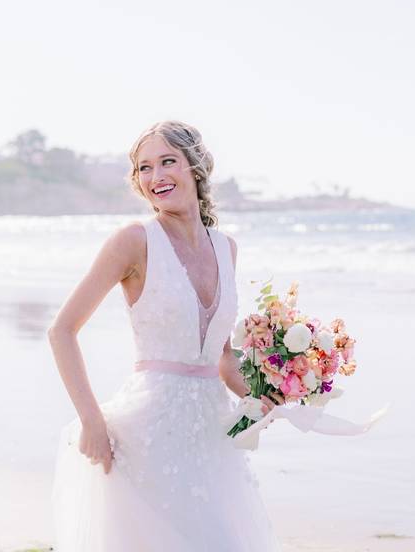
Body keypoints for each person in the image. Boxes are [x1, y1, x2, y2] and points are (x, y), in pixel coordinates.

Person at [48, 121, 282, 551]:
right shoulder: (133, 242)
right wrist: (91, 420)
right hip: (149, 436)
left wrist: (261, 394)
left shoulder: (226, 247)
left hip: (214, 438)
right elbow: (62, 331)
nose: (156, 177)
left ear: (195, 166)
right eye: (144, 168)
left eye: (167, 162)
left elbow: (222, 355)